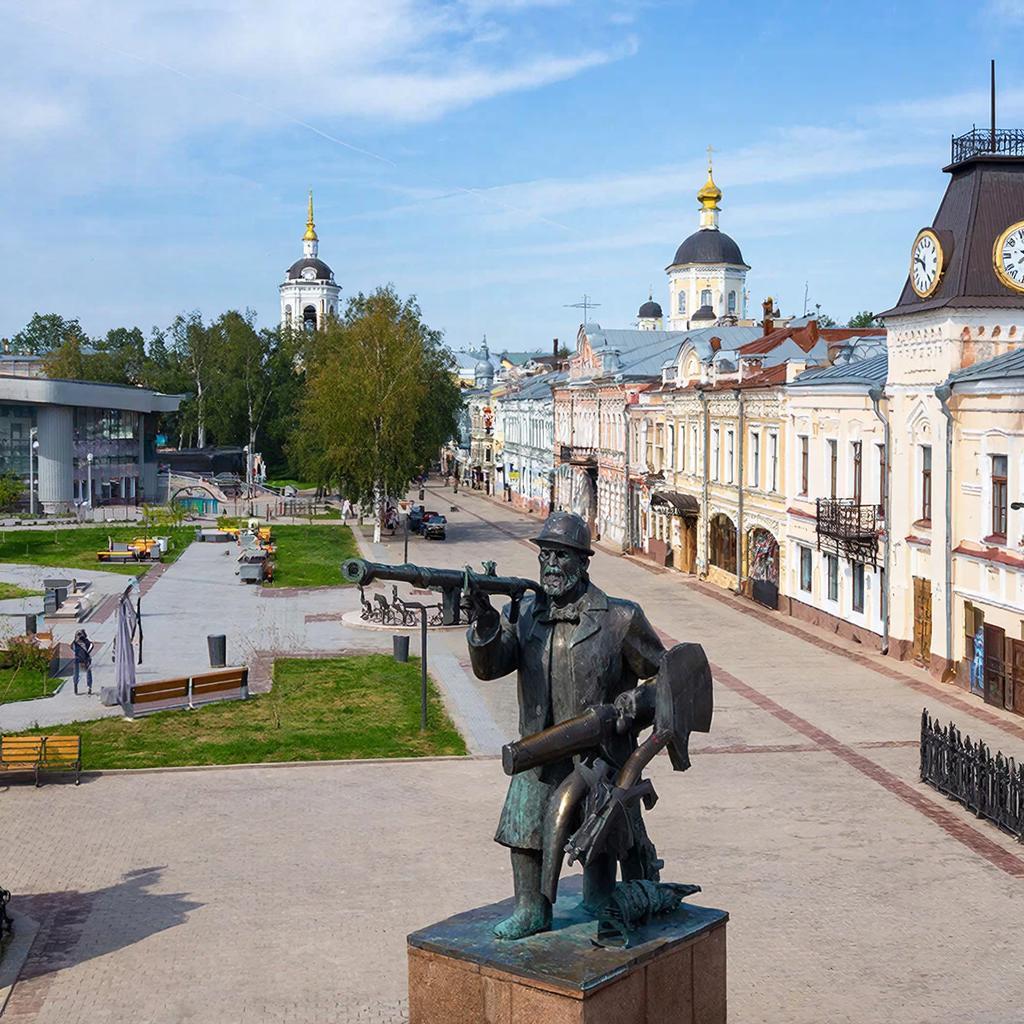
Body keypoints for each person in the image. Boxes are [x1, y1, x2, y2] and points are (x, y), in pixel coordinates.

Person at [465, 512, 666, 940]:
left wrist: (638, 699)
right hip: (538, 748)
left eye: (562, 556)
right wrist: (483, 622)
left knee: (602, 838)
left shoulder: (620, 619)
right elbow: (491, 666)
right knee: (525, 826)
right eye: (546, 556)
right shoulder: (525, 615)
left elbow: (665, 676)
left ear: (584, 563)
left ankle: (602, 897)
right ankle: (531, 909)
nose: (551, 565)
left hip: (598, 752)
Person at [72, 629, 94, 695]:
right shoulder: (86, 642)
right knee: (87, 672)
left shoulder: (75, 642)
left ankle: (76, 686)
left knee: (76, 672)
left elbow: (72, 647)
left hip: (78, 658)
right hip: (85, 659)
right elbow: (91, 646)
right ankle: (89, 687)